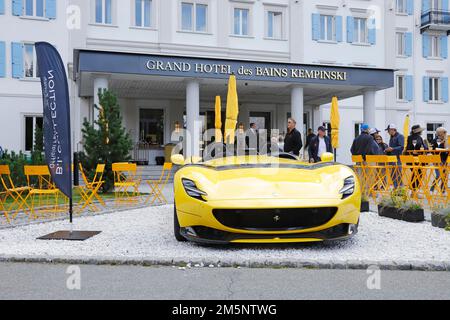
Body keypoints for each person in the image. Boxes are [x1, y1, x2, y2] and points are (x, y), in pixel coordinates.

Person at [406, 125, 429, 191]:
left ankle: (413, 189)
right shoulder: (411, 138)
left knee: (417, 173)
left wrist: (425, 148)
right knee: (417, 173)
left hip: (418, 158)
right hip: (413, 158)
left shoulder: (419, 137)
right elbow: (409, 148)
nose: (421, 131)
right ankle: (413, 189)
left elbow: (423, 147)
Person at [430, 127, 449, 193]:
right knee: (439, 175)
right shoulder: (435, 140)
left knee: (445, 176)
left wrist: (445, 139)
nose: (445, 133)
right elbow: (433, 150)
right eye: (443, 132)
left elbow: (447, 149)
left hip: (445, 159)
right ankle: (432, 189)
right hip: (437, 160)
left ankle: (443, 190)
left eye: (445, 132)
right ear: (439, 133)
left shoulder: (446, 139)